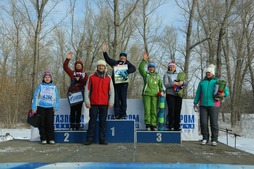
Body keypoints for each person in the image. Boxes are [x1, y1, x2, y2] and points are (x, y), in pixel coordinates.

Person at [193, 64, 229, 146]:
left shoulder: (217, 81)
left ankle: (214, 139)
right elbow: (198, 93)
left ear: (213, 73)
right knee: (203, 123)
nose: (208, 74)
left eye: (210, 72)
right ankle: (205, 138)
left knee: (214, 123)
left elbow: (226, 91)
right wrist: (195, 102)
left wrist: (224, 94)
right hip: (203, 105)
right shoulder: (202, 82)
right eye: (207, 72)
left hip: (214, 105)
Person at [102, 43, 136, 119]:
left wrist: (127, 71)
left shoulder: (127, 63)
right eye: (121, 56)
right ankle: (116, 114)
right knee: (116, 99)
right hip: (115, 84)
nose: (122, 57)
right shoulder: (116, 63)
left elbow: (134, 68)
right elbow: (108, 60)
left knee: (123, 100)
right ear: (120, 57)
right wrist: (104, 52)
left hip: (123, 84)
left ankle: (123, 114)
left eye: (124, 56)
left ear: (126, 57)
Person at [84, 60, 114, 145]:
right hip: (93, 103)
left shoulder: (108, 78)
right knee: (92, 122)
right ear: (97, 67)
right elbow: (87, 90)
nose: (101, 67)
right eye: (99, 66)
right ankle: (90, 139)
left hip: (104, 104)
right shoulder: (91, 77)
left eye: (102, 66)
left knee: (103, 122)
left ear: (105, 67)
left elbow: (112, 91)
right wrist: (87, 101)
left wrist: (111, 102)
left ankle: (102, 139)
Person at [31, 71, 60, 144]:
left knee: (50, 123)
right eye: (46, 77)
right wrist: (34, 107)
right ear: (43, 78)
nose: (47, 79)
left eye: (48, 77)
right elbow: (35, 96)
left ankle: (50, 138)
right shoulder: (40, 86)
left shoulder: (54, 87)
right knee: (42, 123)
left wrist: (56, 107)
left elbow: (57, 98)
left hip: (50, 107)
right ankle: (43, 138)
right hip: (41, 107)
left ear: (51, 78)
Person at [139, 52, 164, 131]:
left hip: (155, 95)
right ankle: (148, 124)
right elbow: (140, 69)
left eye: (152, 67)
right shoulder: (146, 75)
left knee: (154, 110)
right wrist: (144, 60)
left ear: (154, 68)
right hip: (146, 94)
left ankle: (154, 124)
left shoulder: (158, 76)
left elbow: (160, 85)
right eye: (150, 67)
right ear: (148, 68)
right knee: (147, 110)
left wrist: (162, 91)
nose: (151, 68)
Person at [63, 52, 88, 131]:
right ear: (75, 66)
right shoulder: (72, 73)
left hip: (80, 93)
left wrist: (79, 79)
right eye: (77, 65)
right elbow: (65, 67)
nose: (78, 66)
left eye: (79, 65)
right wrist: (68, 59)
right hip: (73, 94)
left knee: (79, 110)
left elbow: (86, 82)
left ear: (82, 66)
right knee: (73, 110)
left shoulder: (84, 74)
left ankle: (77, 125)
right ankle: (72, 125)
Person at [163, 61, 188, 131]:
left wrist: (182, 82)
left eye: (173, 67)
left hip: (178, 94)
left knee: (178, 110)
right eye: (170, 67)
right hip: (170, 94)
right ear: (168, 67)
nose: (171, 68)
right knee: (171, 110)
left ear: (175, 67)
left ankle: (177, 125)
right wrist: (174, 83)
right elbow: (166, 84)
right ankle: (171, 125)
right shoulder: (166, 75)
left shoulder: (179, 74)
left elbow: (186, 82)